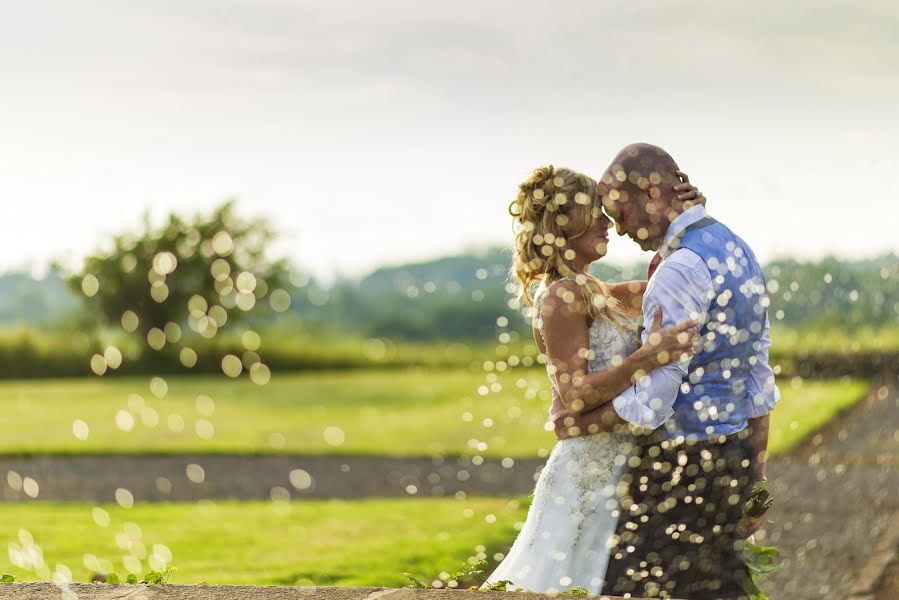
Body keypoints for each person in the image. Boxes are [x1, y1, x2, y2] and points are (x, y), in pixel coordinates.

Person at [555, 143, 780, 599]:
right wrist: (754, 479)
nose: (618, 230)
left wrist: (581, 421)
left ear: (651, 191)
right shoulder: (739, 251)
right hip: (729, 457)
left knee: (634, 590)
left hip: (677, 467)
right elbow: (757, 381)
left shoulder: (679, 271)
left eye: (620, 212)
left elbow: (654, 406)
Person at [479, 165, 701, 593]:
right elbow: (575, 396)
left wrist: (685, 215)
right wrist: (647, 356)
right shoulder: (560, 296)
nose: (608, 222)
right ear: (561, 223)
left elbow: (667, 279)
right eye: (594, 210)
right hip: (585, 475)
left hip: (613, 466)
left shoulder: (594, 291)